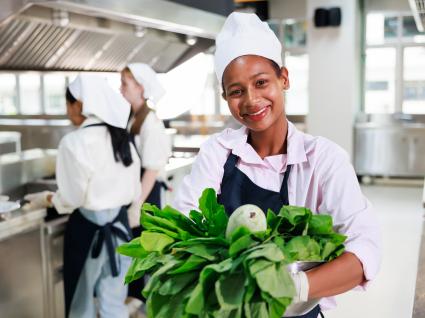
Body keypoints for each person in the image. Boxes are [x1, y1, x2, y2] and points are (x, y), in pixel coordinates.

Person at [172, 12, 381, 318]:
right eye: (237, 91)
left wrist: (292, 287)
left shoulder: (324, 159)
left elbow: (363, 253)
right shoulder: (217, 152)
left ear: (284, 78)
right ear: (225, 96)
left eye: (261, 83)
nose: (251, 100)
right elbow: (184, 228)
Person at [24, 74, 141, 318]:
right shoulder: (122, 139)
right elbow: (134, 191)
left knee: (81, 307)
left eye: (68, 105)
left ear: (79, 103)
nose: (67, 112)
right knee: (114, 304)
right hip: (120, 229)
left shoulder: (74, 142)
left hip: (88, 231)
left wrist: (46, 198)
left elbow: (71, 199)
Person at [120, 63, 171, 300]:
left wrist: (137, 203)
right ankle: (137, 303)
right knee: (137, 255)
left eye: (125, 84)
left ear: (141, 87)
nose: (121, 89)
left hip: (146, 195)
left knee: (145, 254)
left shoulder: (150, 122)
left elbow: (151, 169)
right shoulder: (133, 117)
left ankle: (145, 306)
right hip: (137, 193)